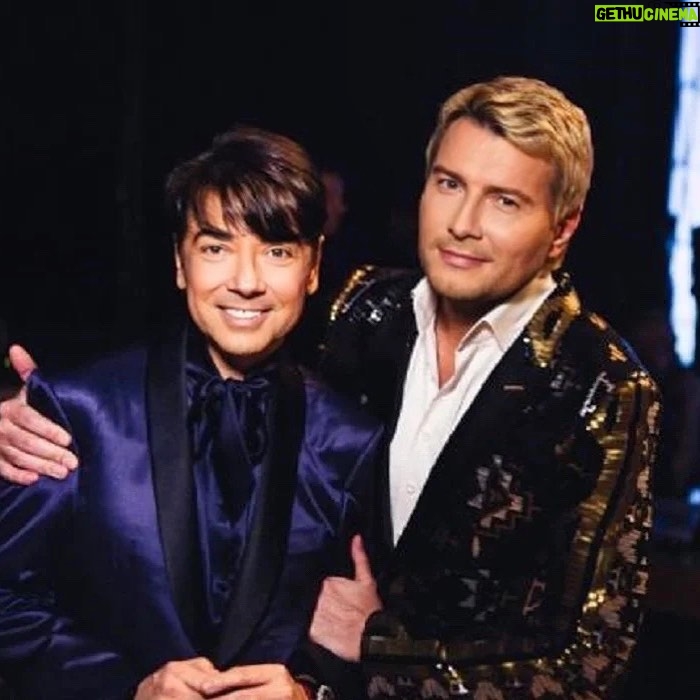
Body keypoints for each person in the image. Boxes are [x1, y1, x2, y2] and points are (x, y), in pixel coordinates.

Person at [0, 76, 660, 699]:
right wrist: (20, 411)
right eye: (449, 183)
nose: (464, 221)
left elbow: (587, 664)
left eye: (506, 200)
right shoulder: (367, 308)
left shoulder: (604, 386)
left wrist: (372, 653)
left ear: (562, 229)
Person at [0, 125, 382, 699]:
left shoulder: (353, 441)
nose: (246, 282)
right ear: (181, 261)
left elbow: (355, 637)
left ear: (313, 267)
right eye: (216, 248)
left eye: (277, 251)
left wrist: (308, 689)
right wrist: (127, 688)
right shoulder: (81, 410)